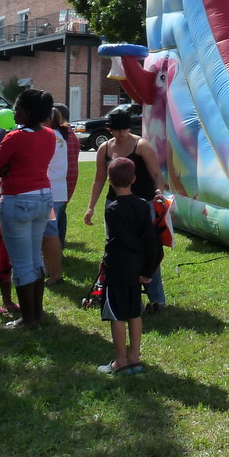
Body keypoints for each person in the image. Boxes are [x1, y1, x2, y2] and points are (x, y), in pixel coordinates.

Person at [0, 88, 56, 329]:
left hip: (18, 199)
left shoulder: (15, 137)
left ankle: (28, 318)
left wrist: (9, 168)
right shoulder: (50, 134)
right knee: (35, 259)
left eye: (17, 108)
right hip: (43, 197)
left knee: (22, 263)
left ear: (26, 112)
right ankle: (38, 312)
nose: (13, 112)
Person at [85, 110, 168, 312]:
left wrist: (159, 195)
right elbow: (99, 179)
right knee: (116, 248)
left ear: (129, 128)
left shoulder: (141, 145)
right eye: (116, 130)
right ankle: (115, 293)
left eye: (124, 129)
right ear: (110, 129)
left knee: (149, 250)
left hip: (143, 203)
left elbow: (156, 174)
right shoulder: (104, 148)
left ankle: (156, 298)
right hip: (115, 204)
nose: (121, 134)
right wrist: (91, 207)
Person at [97, 157, 160, 375]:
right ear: (134, 179)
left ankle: (120, 362)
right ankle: (135, 358)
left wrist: (105, 262)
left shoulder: (112, 209)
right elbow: (151, 240)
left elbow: (115, 242)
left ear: (110, 181)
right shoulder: (142, 205)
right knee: (135, 312)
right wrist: (146, 269)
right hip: (137, 269)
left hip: (118, 270)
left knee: (116, 315)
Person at [42, 109, 69, 285]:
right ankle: (49, 269)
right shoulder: (58, 136)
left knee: (49, 236)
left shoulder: (51, 137)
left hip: (51, 192)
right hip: (57, 191)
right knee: (51, 234)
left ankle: (54, 273)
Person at [53, 103, 81, 247]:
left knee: (54, 219)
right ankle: (60, 247)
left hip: (60, 180)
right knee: (61, 213)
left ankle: (55, 249)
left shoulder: (59, 135)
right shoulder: (69, 133)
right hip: (68, 180)